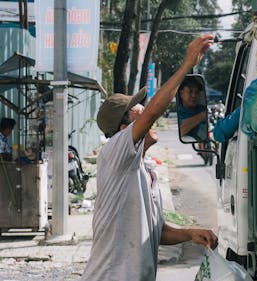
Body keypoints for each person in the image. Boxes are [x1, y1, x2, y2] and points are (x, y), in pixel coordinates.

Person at [80, 34, 218, 281]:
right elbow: (154, 109)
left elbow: (155, 231)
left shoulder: (142, 172)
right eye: (137, 111)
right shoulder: (114, 153)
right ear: (124, 130)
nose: (145, 112)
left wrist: (189, 234)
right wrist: (187, 65)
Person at [177, 77, 208, 141]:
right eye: (190, 92)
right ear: (181, 94)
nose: (194, 95)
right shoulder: (179, 112)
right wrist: (202, 116)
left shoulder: (202, 109)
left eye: (196, 92)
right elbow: (181, 130)